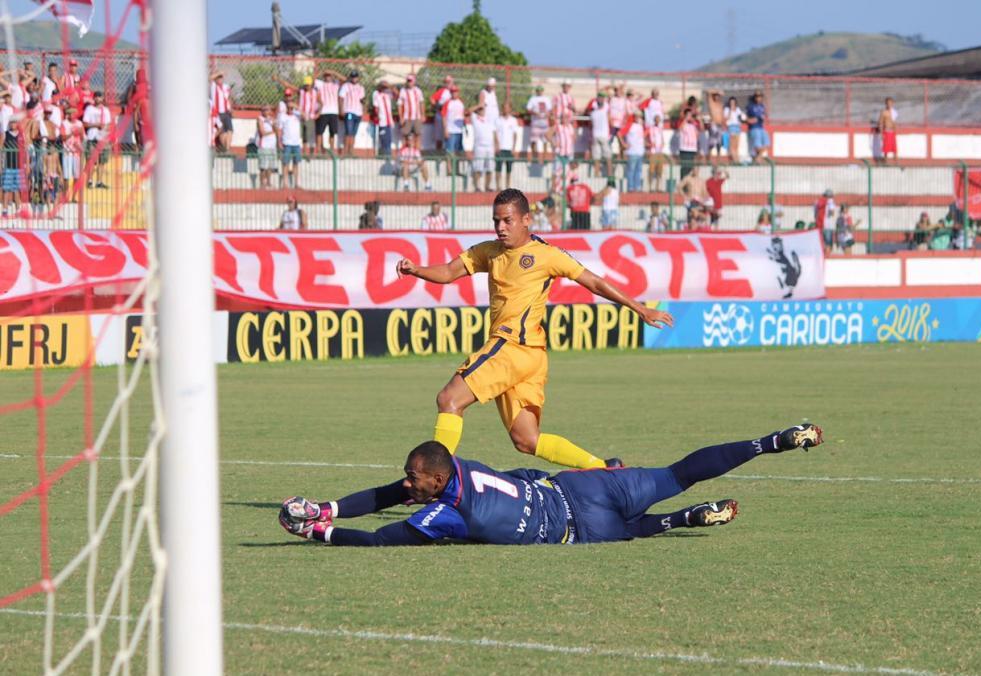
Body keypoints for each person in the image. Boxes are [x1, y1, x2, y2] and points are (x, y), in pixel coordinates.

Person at [394, 189, 674, 469]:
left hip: (512, 347)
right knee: (526, 440)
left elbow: (594, 282)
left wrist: (641, 308)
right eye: (496, 221)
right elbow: (447, 271)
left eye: (507, 220)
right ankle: (603, 468)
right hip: (530, 355)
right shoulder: (488, 251)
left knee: (449, 399)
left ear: (526, 219)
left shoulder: (547, 255)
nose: (500, 228)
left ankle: (436, 483)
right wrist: (416, 269)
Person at [278, 424, 825, 546]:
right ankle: (772, 441)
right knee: (677, 474)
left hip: (578, 528)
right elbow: (392, 492)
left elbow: (377, 537)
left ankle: (682, 520)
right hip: (579, 490)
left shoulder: (445, 513)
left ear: (438, 479)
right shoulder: (460, 465)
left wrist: (320, 533)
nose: (408, 485)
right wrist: (329, 505)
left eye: (416, 479)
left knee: (638, 532)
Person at [82, 91, 111, 189]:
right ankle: (89, 180)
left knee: (102, 161)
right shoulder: (89, 109)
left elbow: (108, 124)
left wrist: (105, 131)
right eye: (96, 97)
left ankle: (99, 181)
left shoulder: (106, 110)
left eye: (100, 96)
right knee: (91, 160)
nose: (98, 98)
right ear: (94, 98)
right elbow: (85, 123)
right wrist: (96, 125)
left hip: (102, 138)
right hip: (92, 137)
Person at [313, 69, 343, 153]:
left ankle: (332, 150)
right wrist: (322, 72)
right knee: (320, 132)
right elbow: (312, 79)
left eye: (329, 75)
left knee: (332, 132)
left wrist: (333, 72)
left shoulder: (335, 84)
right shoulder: (320, 84)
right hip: (323, 111)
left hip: (334, 112)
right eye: (326, 76)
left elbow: (345, 80)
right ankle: (319, 150)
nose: (328, 77)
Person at [469, 106, 497, 192]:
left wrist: (496, 144)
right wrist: (479, 105)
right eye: (480, 109)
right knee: (478, 168)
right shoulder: (475, 118)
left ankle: (487, 186)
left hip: (490, 147)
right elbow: (469, 110)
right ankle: (477, 186)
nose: (482, 110)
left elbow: (494, 132)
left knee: (490, 168)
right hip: (479, 146)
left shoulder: (490, 119)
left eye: (483, 109)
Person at [339, 70, 365, 156]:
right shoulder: (346, 86)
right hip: (349, 112)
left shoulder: (361, 87)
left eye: (356, 77)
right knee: (348, 132)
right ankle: (345, 151)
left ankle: (351, 151)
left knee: (354, 133)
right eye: (353, 77)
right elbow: (341, 98)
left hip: (358, 113)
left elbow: (362, 100)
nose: (354, 78)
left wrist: (363, 110)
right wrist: (341, 110)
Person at [278, 100, 302, 189]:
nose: (290, 109)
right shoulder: (282, 116)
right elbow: (279, 130)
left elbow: (306, 115)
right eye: (289, 108)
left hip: (296, 143)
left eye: (292, 108)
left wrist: (296, 106)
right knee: (285, 163)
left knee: (296, 163)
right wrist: (279, 142)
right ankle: (285, 183)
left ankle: (296, 183)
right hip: (286, 143)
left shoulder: (297, 115)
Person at [587, 92, 612, 177]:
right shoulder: (604, 109)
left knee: (597, 157)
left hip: (596, 135)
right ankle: (609, 174)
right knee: (607, 157)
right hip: (603, 135)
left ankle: (597, 174)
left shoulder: (593, 113)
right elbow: (610, 120)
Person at [398, 74, 425, 152]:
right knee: (405, 135)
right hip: (407, 117)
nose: (409, 82)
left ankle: (417, 154)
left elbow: (421, 103)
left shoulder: (418, 91)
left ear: (414, 81)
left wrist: (423, 115)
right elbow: (400, 104)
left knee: (418, 135)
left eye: (410, 81)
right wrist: (401, 117)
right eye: (408, 81)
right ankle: (404, 154)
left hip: (417, 117)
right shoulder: (403, 91)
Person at [525, 85, 551, 164]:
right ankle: (535, 158)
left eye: (541, 90)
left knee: (545, 141)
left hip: (544, 124)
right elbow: (528, 109)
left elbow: (550, 109)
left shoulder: (546, 99)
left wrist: (547, 114)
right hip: (535, 123)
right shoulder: (533, 99)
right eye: (538, 90)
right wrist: (535, 113)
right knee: (533, 141)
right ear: (536, 91)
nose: (539, 92)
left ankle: (545, 158)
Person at [495, 101, 518, 191]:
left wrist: (513, 147)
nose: (506, 109)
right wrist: (496, 146)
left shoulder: (513, 120)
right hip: (500, 148)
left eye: (507, 107)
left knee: (509, 169)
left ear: (510, 109)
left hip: (509, 148)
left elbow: (515, 135)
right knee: (498, 169)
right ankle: (498, 186)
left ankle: (508, 186)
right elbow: (495, 134)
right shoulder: (498, 120)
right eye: (504, 107)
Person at [621, 110, 645, 193]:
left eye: (640, 116)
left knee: (638, 171)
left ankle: (637, 187)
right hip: (632, 152)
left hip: (640, 151)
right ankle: (630, 187)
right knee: (631, 170)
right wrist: (623, 144)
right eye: (637, 116)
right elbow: (620, 133)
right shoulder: (630, 125)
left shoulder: (641, 126)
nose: (638, 118)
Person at [255, 105, 278, 189]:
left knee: (270, 166)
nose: (266, 111)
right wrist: (273, 131)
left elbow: (277, 130)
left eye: (268, 109)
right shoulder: (260, 119)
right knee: (263, 167)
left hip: (272, 145)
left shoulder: (271, 120)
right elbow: (262, 133)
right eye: (264, 109)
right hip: (264, 145)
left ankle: (268, 182)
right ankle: (262, 184)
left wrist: (273, 124)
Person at [371, 80, 395, 159]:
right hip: (382, 121)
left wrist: (390, 86)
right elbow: (376, 107)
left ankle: (388, 156)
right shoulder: (376, 94)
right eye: (383, 87)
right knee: (384, 139)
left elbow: (397, 95)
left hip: (389, 121)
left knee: (389, 139)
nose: (384, 88)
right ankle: (384, 155)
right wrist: (377, 115)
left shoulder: (388, 93)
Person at [208, 72, 232, 151]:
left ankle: (227, 149)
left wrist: (231, 107)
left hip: (226, 112)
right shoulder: (213, 86)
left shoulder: (226, 86)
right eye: (218, 77)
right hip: (218, 113)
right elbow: (210, 78)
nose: (220, 79)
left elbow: (229, 97)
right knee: (222, 131)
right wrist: (219, 73)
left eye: (221, 77)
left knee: (230, 130)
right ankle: (225, 149)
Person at [746, 91, 769, 164]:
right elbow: (746, 118)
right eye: (757, 96)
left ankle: (758, 158)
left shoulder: (762, 106)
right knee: (757, 145)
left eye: (760, 96)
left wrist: (764, 116)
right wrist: (751, 120)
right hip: (754, 128)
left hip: (761, 127)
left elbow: (765, 115)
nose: (758, 98)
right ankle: (758, 159)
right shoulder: (751, 106)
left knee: (767, 143)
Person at [646, 114, 667, 192]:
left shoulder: (660, 129)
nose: (658, 121)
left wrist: (662, 143)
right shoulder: (651, 128)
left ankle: (658, 187)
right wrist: (648, 144)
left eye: (659, 120)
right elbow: (644, 136)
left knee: (660, 171)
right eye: (657, 119)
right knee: (651, 171)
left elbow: (661, 138)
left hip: (660, 152)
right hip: (653, 152)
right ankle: (650, 187)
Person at [722, 96, 746, 164]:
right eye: (731, 102)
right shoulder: (727, 109)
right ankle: (735, 160)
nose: (732, 103)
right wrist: (730, 110)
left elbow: (740, 117)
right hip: (731, 127)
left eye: (733, 102)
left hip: (737, 127)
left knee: (736, 145)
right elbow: (726, 119)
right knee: (732, 145)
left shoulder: (737, 109)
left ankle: (736, 159)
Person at [878, 97, 897, 164]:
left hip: (892, 132)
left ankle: (896, 161)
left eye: (890, 103)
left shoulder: (894, 112)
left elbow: (894, 122)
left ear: (892, 104)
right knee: (886, 148)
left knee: (894, 147)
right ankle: (885, 161)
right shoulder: (883, 112)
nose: (889, 104)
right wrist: (881, 133)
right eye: (888, 103)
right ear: (886, 104)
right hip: (886, 131)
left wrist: (895, 130)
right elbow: (880, 123)